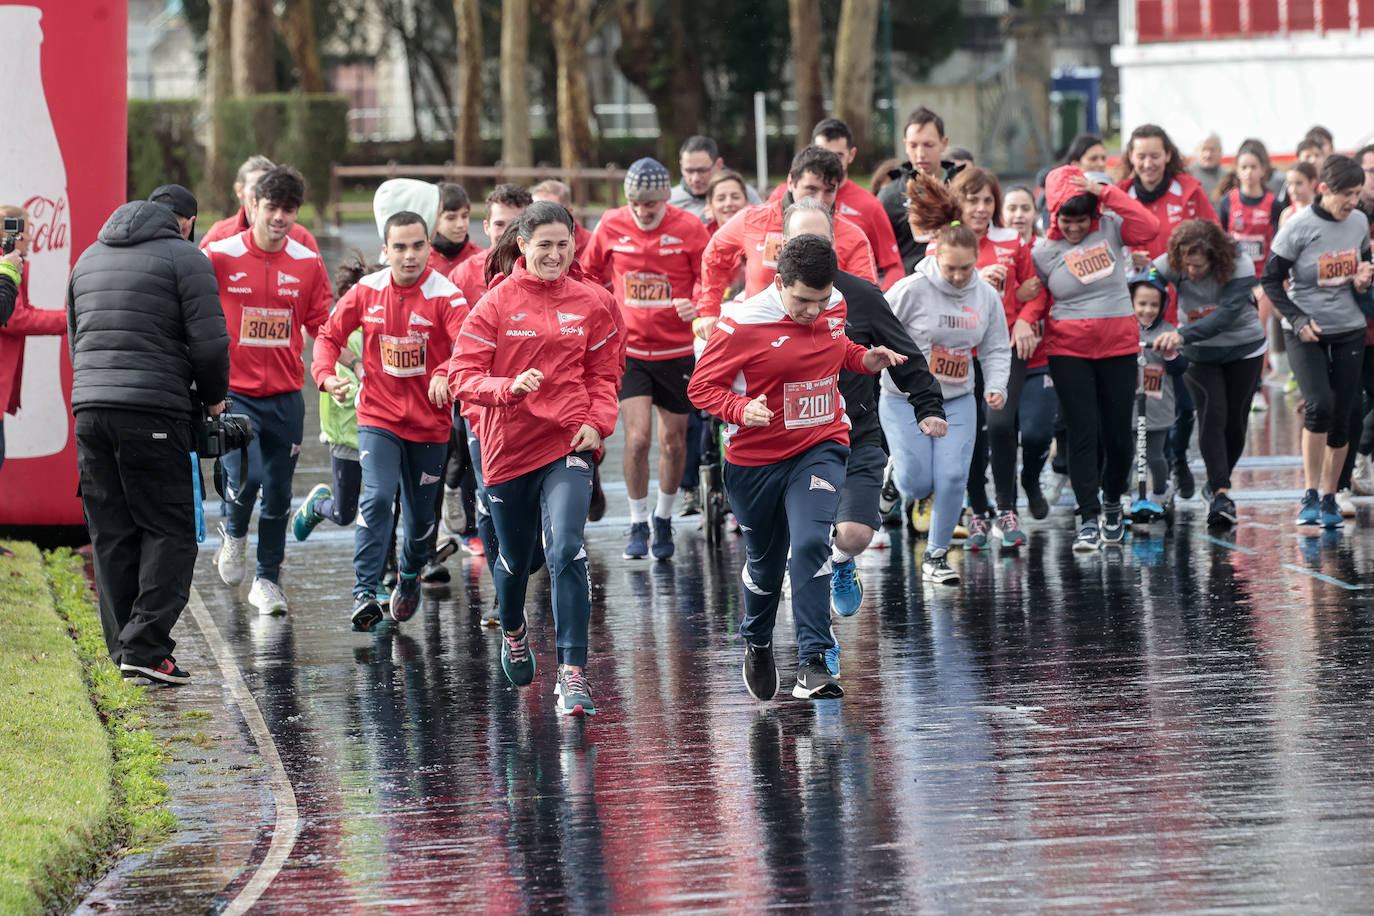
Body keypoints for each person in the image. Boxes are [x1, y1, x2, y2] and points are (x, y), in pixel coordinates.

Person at [688, 234, 907, 701]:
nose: (813, 310)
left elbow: (837, 347)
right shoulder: (741, 323)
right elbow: (701, 389)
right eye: (803, 301)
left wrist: (864, 359)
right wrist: (739, 408)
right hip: (755, 462)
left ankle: (813, 662)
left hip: (820, 443)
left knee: (810, 541)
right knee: (766, 568)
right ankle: (758, 641)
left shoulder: (836, 304)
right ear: (780, 282)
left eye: (822, 299)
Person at [448, 201, 622, 717]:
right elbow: (462, 376)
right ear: (521, 246)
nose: (554, 254)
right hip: (508, 448)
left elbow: (605, 374)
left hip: (567, 442)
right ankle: (515, 630)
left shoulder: (594, 302)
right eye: (542, 245)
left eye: (562, 245)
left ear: (575, 244)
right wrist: (507, 388)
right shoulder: (496, 304)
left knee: (568, 548)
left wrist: (598, 421)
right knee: (514, 562)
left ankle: (572, 673)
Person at [67, 185, 230, 685]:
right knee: (171, 528)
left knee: (111, 531)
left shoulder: (88, 256)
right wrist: (213, 401)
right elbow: (210, 343)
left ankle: (126, 650)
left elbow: (77, 336)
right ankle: (145, 644)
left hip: (90, 409)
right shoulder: (187, 258)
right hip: (153, 411)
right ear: (186, 220)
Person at [779, 199, 944, 642]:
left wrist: (927, 406)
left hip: (856, 432)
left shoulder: (863, 298)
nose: (814, 253)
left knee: (852, 534)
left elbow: (904, 355)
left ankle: (842, 562)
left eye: (823, 243)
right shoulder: (765, 305)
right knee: (803, 542)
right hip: (794, 442)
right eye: (802, 242)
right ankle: (815, 650)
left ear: (837, 247)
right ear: (784, 248)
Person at [311, 212, 468, 629]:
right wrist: (327, 377)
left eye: (417, 246)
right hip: (378, 417)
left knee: (420, 522)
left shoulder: (446, 297)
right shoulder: (366, 291)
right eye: (399, 247)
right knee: (377, 497)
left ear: (428, 248)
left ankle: (411, 574)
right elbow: (328, 337)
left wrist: (443, 371)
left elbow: (471, 350)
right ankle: (364, 591)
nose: (409, 255)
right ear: (386, 250)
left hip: (429, 426)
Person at [204, 166, 332, 614]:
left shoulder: (307, 260)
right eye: (271, 207)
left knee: (279, 492)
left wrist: (348, 361)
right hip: (234, 393)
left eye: (289, 210)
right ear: (252, 205)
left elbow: (323, 322)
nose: (279, 217)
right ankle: (235, 533)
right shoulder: (218, 255)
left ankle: (267, 580)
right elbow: (191, 312)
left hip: (285, 395)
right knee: (249, 479)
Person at [883, 175, 1010, 583]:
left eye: (966, 269)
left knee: (954, 475)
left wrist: (996, 385)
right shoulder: (910, 290)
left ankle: (936, 557)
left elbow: (994, 346)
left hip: (956, 397)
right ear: (936, 256)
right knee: (917, 482)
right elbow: (875, 330)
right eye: (950, 268)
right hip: (906, 397)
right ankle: (892, 477)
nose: (958, 277)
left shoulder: (985, 296)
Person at [583, 158, 709, 560]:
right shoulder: (612, 224)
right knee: (637, 439)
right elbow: (587, 273)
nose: (642, 211)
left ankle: (663, 517)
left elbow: (712, 275)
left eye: (650, 204)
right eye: (635, 203)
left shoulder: (689, 228)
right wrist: (605, 307)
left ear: (666, 198)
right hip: (631, 350)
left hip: (676, 352)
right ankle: (637, 522)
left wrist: (699, 304)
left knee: (672, 442)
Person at [1034, 165, 1160, 551]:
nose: (1075, 228)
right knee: (1082, 433)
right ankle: (1089, 516)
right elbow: (1037, 299)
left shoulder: (1111, 228)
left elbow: (1150, 226)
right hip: (1068, 350)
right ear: (1055, 215)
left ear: (1095, 216)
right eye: (1067, 220)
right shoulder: (1043, 251)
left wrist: (1105, 192)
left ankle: (1111, 504)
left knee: (1118, 435)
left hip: (1118, 346)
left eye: (1082, 220)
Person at [1261, 154, 1373, 529]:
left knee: (1343, 413)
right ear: (1324, 189)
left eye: (1358, 194)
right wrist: (1296, 318)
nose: (1353, 202)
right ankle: (1309, 493)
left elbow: (1363, 261)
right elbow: (1270, 281)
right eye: (1347, 194)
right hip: (1305, 328)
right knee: (1319, 406)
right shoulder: (1297, 226)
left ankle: (1329, 495)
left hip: (1348, 327)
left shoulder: (1358, 222)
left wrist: (1362, 278)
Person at [1117, 123, 1219, 500]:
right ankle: (1148, 468)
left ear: (1168, 155)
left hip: (1183, 312)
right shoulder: (1121, 194)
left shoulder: (1189, 192)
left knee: (1185, 398)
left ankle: (1177, 458)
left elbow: (1216, 238)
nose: (1147, 163)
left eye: (1154, 155)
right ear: (1130, 157)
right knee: (1143, 396)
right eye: (1140, 155)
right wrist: (1129, 258)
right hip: (1137, 314)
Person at [1150, 220, 1267, 527]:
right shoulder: (1173, 261)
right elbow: (1148, 281)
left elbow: (1225, 316)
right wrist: (1148, 285)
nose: (1191, 273)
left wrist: (1183, 334)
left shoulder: (1239, 264)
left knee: (1236, 421)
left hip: (1243, 347)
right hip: (1199, 353)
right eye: (1186, 266)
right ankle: (1221, 493)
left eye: (1199, 266)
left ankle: (1218, 479)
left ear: (1216, 258)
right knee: (1213, 412)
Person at [696, 146, 878, 338]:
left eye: (829, 191)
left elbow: (865, 299)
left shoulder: (853, 236)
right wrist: (709, 311)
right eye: (811, 189)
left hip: (819, 342)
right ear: (791, 182)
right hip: (758, 338)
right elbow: (714, 254)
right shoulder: (753, 220)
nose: (820, 199)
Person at [292, 255, 373, 545]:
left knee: (383, 504)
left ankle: (385, 573)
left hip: (381, 431)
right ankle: (316, 505)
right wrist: (347, 389)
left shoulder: (388, 324)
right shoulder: (343, 328)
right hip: (346, 433)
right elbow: (337, 379)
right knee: (344, 512)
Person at [769, 119, 904, 288]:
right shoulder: (780, 196)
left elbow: (892, 266)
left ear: (851, 155)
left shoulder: (869, 206)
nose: (828, 159)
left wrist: (880, 303)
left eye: (838, 155)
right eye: (822, 151)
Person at [0, 205, 65, 475]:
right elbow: (15, 319)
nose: (30, 239)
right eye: (26, 233)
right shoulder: (7, 266)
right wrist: (71, 319)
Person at [876, 107, 965, 273]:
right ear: (905, 145)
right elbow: (879, 255)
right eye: (913, 145)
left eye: (928, 145)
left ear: (943, 144)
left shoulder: (963, 187)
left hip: (959, 280)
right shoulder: (891, 195)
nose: (920, 154)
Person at [1128, 269, 1181, 509]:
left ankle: (1161, 490)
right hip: (1128, 407)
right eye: (1141, 304)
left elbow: (1180, 367)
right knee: (1127, 457)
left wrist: (1170, 354)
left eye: (1154, 304)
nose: (1147, 310)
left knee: (1155, 456)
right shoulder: (1124, 328)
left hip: (1157, 407)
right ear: (1131, 302)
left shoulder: (1168, 332)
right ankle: (1123, 495)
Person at [199, 154, 320, 253]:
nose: (261, 194)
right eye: (255, 188)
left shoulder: (301, 238)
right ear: (239, 190)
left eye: (269, 189)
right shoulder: (219, 236)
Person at [448, 183, 533, 304]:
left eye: (516, 225)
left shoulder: (544, 272)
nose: (506, 232)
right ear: (486, 227)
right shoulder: (463, 275)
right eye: (499, 224)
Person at [669, 135, 761, 222]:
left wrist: (722, 220)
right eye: (689, 171)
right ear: (681, 165)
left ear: (718, 164)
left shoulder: (745, 193)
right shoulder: (670, 200)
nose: (695, 179)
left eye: (702, 170)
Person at [427, 182, 483, 276]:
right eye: (451, 218)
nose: (460, 224)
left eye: (465, 216)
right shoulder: (422, 262)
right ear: (434, 218)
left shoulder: (483, 260)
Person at [529, 179, 592, 257]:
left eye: (550, 211)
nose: (541, 217)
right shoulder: (522, 240)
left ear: (569, 212)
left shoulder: (591, 243)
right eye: (535, 210)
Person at [704, 169, 751, 236]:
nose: (729, 203)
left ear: (746, 201)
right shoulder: (702, 236)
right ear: (710, 205)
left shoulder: (763, 235)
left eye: (735, 197)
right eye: (721, 199)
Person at [1190, 134, 1225, 198]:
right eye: (1204, 149)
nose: (1208, 155)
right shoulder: (1188, 175)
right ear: (1196, 151)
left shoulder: (1228, 178)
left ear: (1220, 151)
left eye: (1212, 150)